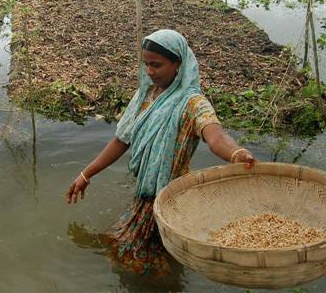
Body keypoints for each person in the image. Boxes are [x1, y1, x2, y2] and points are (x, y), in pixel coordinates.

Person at [65, 29, 256, 276]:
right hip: (144, 198)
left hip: (170, 200)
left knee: (151, 268)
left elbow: (215, 136)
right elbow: (122, 140)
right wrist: (85, 174)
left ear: (178, 63)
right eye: (146, 64)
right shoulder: (145, 96)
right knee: (133, 254)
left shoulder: (192, 102)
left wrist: (236, 153)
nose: (150, 72)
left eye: (157, 65)